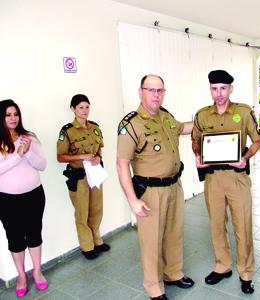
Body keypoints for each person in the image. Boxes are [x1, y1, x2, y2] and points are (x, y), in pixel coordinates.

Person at [116, 74, 194, 300]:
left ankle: (173, 273)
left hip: (173, 186)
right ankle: (154, 286)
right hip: (150, 192)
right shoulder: (130, 125)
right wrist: (132, 199)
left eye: (160, 90)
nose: (156, 95)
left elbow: (184, 128)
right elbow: (122, 165)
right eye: (150, 90)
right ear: (140, 92)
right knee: (151, 241)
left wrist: (205, 122)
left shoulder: (166, 117)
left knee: (174, 234)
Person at [191, 70, 260, 294]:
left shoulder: (243, 111)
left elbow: (257, 140)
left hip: (237, 177)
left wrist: (246, 158)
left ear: (231, 88)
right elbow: (195, 140)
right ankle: (222, 266)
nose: (218, 93)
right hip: (213, 179)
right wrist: (198, 156)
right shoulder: (202, 115)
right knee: (216, 225)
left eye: (223, 88)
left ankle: (246, 272)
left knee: (243, 226)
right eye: (214, 88)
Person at [0, 99, 48, 297]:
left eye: (15, 114)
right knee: (15, 238)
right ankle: (21, 275)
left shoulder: (29, 137)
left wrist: (27, 153)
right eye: (8, 115)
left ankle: (37, 271)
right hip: (7, 200)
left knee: (34, 234)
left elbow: (42, 165)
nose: (13, 118)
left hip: (34, 196)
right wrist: (18, 155)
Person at [57, 94, 110, 260]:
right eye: (81, 107)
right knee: (82, 213)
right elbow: (60, 156)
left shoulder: (94, 127)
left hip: (95, 174)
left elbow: (99, 148)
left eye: (87, 107)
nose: (85, 110)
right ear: (73, 109)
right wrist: (80, 157)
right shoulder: (67, 131)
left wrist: (98, 157)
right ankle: (87, 247)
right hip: (79, 177)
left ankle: (97, 240)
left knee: (97, 209)